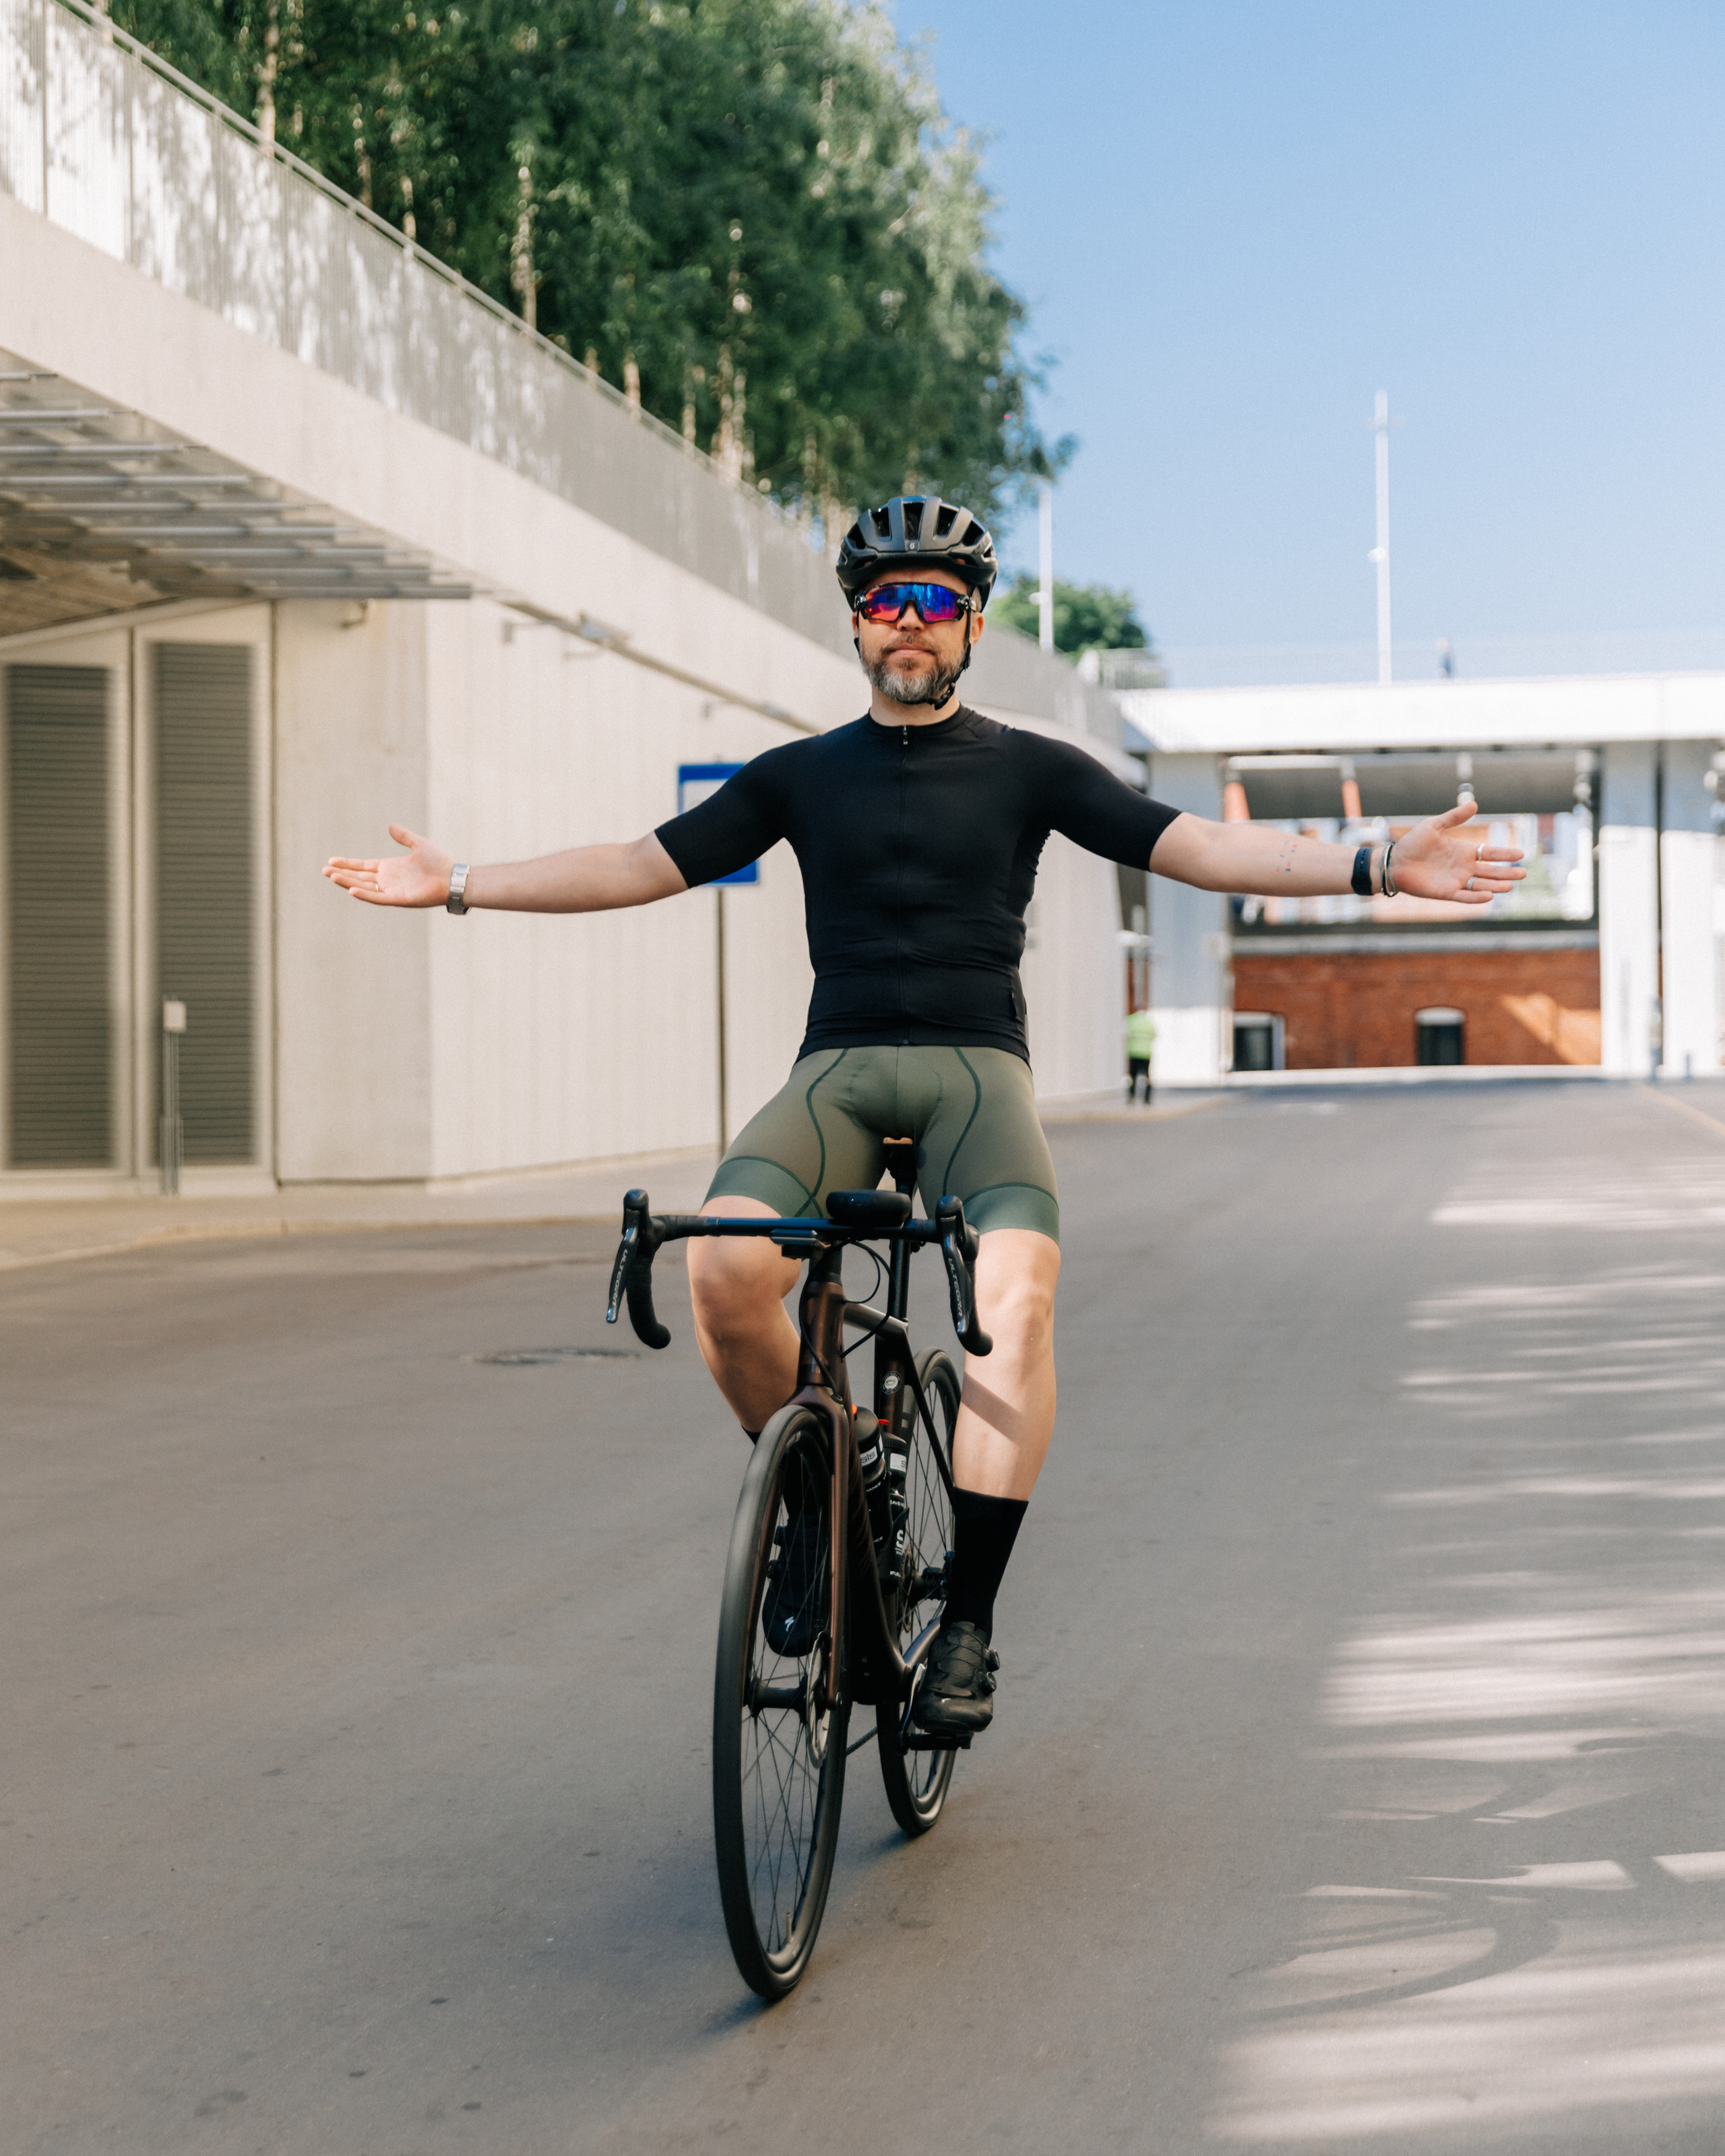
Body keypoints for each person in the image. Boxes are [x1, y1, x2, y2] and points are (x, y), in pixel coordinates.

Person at [324, 493, 1525, 1738]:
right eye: (889, 599)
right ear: (855, 622)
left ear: (973, 625)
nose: (911, 621)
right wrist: (456, 882)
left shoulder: (1033, 767)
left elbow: (1200, 852)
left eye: (936, 601)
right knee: (728, 1269)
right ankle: (809, 1513)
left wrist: (1382, 864)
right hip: (834, 1074)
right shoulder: (798, 775)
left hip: (974, 1078)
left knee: (1014, 1304)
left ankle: (966, 1629)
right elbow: (640, 864)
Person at [1125, 1007, 1156, 1104]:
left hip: (1133, 1052)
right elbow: (1154, 1035)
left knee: (1133, 1076)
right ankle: (1147, 1098)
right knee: (1147, 1076)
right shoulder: (1149, 1022)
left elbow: (1126, 1035)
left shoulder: (1131, 1020)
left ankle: (1132, 1096)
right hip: (1146, 1053)